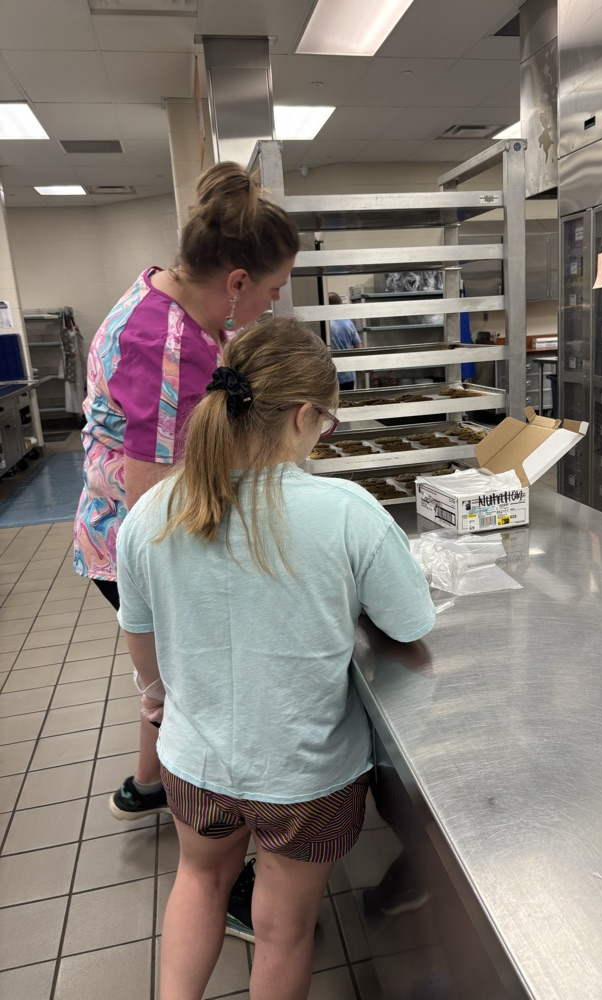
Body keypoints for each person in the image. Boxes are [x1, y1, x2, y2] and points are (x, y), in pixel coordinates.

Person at [115, 318, 435, 1000]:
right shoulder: (347, 511)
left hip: (197, 762)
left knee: (199, 883)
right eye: (328, 421)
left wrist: (155, 692)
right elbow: (410, 624)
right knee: (283, 930)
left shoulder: (152, 514)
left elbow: (138, 631)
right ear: (301, 415)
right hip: (305, 775)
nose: (325, 434)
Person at [72, 160, 300, 823]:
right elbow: (154, 505)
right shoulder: (165, 345)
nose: (273, 302)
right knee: (191, 693)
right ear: (236, 282)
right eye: (273, 287)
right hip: (131, 540)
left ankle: (147, 786)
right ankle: (212, 843)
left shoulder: (162, 298)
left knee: (168, 683)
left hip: (106, 522)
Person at [328, 291, 362, 391]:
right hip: (348, 374)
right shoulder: (348, 323)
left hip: (331, 376)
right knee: (348, 403)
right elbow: (359, 347)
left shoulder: (325, 325)